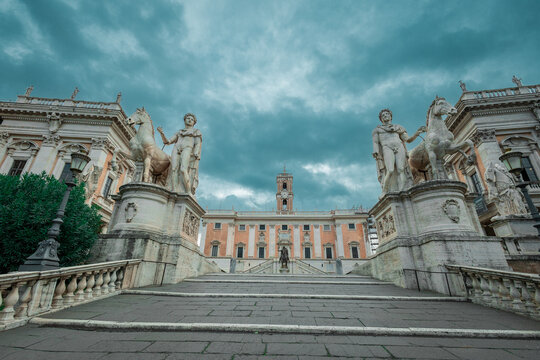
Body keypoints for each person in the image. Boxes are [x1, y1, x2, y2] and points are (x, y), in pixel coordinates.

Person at [372, 109, 425, 194]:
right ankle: (385, 191)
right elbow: (375, 142)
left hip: (399, 146)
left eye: (387, 114)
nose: (385, 116)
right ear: (381, 118)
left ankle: (402, 191)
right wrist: (376, 152)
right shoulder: (377, 130)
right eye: (383, 115)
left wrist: (416, 133)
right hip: (387, 147)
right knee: (390, 170)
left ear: (391, 116)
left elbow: (408, 140)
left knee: (401, 169)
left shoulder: (398, 128)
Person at [157, 113, 202, 195]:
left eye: (192, 119)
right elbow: (167, 142)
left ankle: (188, 192)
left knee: (183, 169)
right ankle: (174, 191)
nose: (190, 120)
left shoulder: (196, 131)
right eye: (188, 118)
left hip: (187, 149)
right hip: (176, 149)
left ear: (194, 122)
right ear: (184, 120)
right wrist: (161, 133)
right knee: (173, 169)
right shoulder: (179, 132)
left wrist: (196, 152)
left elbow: (198, 143)